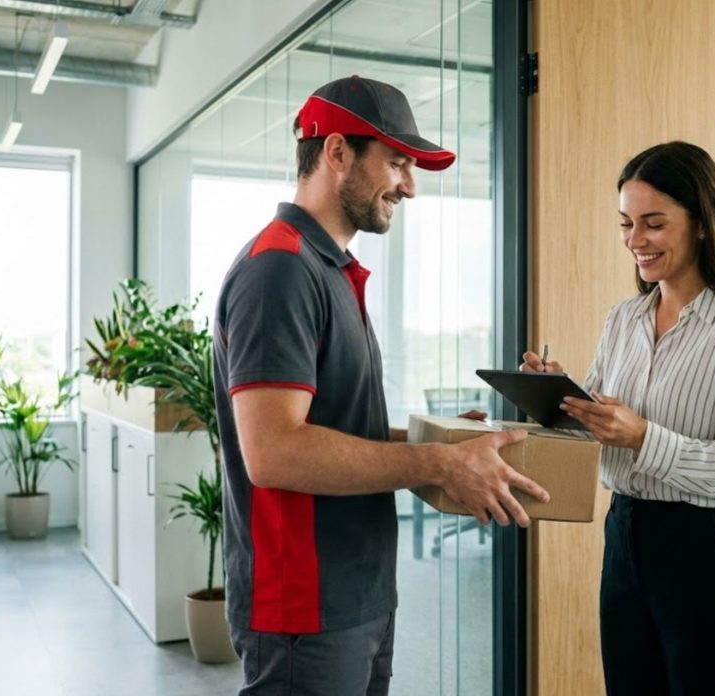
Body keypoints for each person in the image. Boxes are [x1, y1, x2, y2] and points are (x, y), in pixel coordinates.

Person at [213, 75, 549, 696]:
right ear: (337, 153)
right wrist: (438, 465)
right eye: (396, 163)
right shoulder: (280, 271)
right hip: (303, 610)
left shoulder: (329, 269)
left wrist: (446, 447)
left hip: (357, 593)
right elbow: (275, 451)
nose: (410, 186)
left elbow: (334, 429)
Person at [521, 141, 715, 695]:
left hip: (706, 550)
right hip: (625, 539)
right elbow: (596, 429)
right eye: (626, 224)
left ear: (703, 223)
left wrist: (643, 436)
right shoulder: (623, 319)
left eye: (653, 224)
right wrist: (558, 397)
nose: (635, 241)